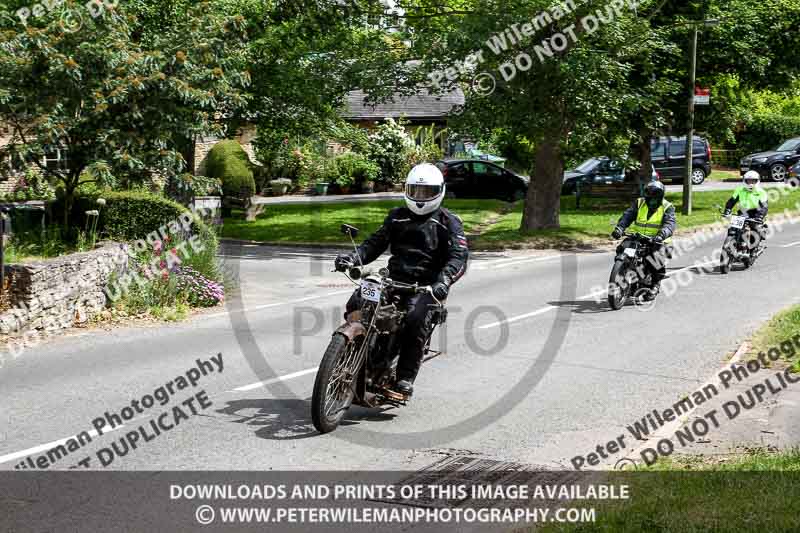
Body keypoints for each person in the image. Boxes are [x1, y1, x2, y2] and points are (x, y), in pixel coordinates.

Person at [334, 163, 468, 397]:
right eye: (416, 191)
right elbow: (374, 243)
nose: (420, 197)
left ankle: (405, 376)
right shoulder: (397, 216)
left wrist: (444, 280)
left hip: (426, 286)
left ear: (439, 191)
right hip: (393, 279)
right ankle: (352, 349)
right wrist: (353, 258)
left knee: (416, 319)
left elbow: (459, 256)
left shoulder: (449, 221)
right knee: (358, 300)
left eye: (426, 192)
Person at [611, 181, 676, 299]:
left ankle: (655, 284)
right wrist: (620, 228)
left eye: (655, 197)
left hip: (659, 240)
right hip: (638, 237)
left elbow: (669, 224)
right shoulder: (639, 203)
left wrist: (661, 235)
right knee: (622, 248)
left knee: (655, 258)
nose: (652, 200)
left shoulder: (667, 207)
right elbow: (628, 216)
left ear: (660, 196)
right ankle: (624, 272)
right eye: (649, 197)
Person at [723, 170, 768, 252]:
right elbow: (732, 201)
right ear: (744, 181)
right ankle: (733, 242)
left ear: (757, 181)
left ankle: (753, 249)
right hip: (743, 212)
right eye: (749, 181)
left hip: (756, 213)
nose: (750, 183)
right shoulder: (739, 190)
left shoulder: (761, 192)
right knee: (733, 227)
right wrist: (727, 210)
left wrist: (760, 216)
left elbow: (764, 207)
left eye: (753, 181)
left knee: (755, 229)